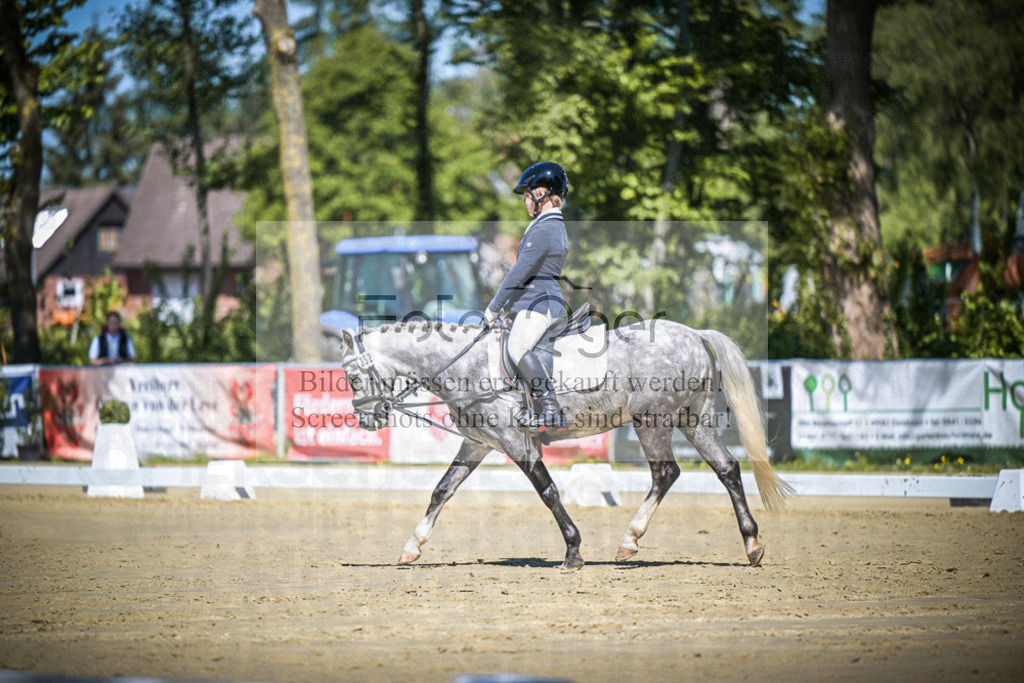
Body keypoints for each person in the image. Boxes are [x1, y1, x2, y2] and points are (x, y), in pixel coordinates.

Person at [483, 161, 571, 433]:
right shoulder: (547, 225)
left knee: (517, 346)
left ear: (542, 193)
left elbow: (518, 273)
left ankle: (550, 409)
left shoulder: (545, 228)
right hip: (535, 301)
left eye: (527, 195)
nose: (525, 202)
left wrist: (494, 308)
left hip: (541, 304)